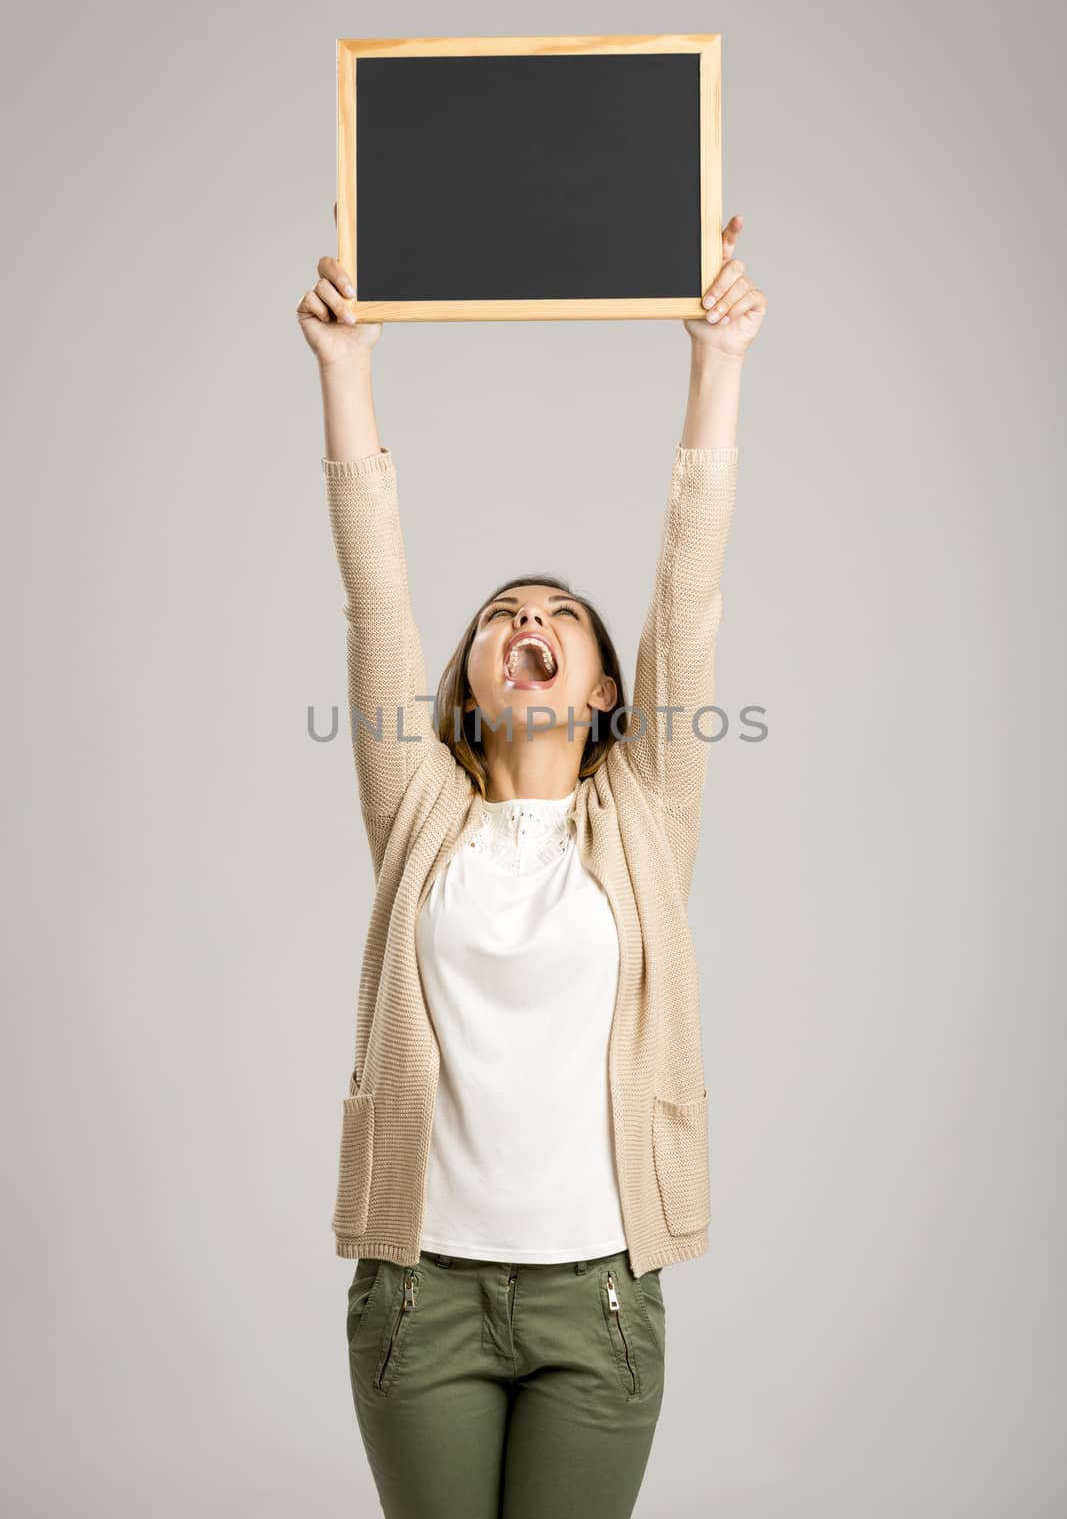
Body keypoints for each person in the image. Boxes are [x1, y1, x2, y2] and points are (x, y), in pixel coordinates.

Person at [296, 211, 767, 1519]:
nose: (529, 624)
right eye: (503, 616)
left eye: (560, 615)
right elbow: (374, 598)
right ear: (466, 684)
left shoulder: (644, 818)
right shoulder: (418, 815)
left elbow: (690, 590)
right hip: (421, 1296)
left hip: (596, 1296)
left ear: (607, 686)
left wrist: (718, 361)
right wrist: (346, 371)